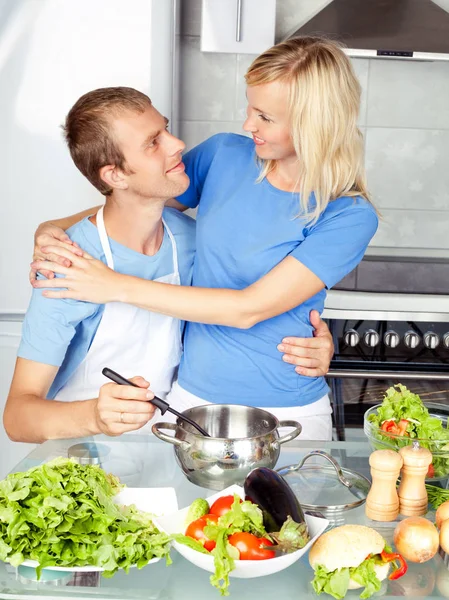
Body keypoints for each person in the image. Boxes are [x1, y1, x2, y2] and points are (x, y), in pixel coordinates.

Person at [30, 36, 377, 440]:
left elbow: (249, 309)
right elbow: (136, 198)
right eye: (251, 107)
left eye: (265, 117)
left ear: (315, 123)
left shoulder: (347, 214)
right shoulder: (224, 156)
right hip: (191, 400)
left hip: (291, 411)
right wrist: (52, 228)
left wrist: (114, 287)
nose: (248, 124)